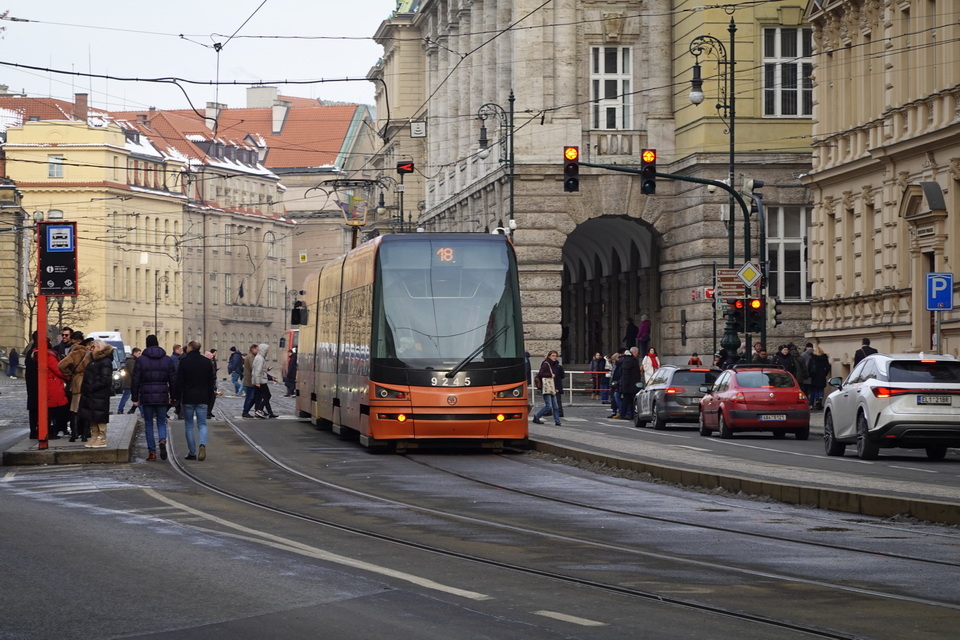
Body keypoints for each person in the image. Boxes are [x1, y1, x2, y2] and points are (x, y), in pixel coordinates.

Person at [132, 334, 176, 461]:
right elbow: (173, 380)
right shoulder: (167, 359)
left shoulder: (141, 360)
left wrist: (135, 397)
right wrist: (173, 396)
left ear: (146, 344)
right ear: (157, 343)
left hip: (146, 395)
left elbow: (135, 380)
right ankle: (162, 440)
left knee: (149, 423)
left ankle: (152, 452)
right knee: (161, 421)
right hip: (162, 394)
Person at [175, 341, 216, 461]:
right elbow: (210, 382)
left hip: (188, 398)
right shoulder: (206, 362)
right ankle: (202, 444)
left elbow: (179, 382)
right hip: (202, 397)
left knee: (188, 425)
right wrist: (209, 397)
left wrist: (177, 397)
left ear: (190, 348)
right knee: (202, 424)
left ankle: (192, 452)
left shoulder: (184, 362)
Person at [78, 339, 114, 448]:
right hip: (91, 393)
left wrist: (93, 387)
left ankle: (101, 438)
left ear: (99, 348)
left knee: (100, 416)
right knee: (92, 416)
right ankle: (94, 436)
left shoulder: (105, 361)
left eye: (93, 347)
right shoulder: (93, 360)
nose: (91, 349)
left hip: (99, 394)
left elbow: (105, 379)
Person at [58, 332, 90, 441]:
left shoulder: (74, 352)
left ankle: (74, 434)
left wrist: (69, 374)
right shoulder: (88, 353)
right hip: (87, 382)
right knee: (86, 409)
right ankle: (85, 435)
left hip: (76, 382)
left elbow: (61, 365)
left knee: (75, 409)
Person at [531, 350, 562, 426]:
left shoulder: (555, 365)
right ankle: (536, 416)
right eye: (553, 355)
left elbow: (556, 377)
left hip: (552, 386)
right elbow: (541, 373)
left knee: (555, 406)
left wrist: (556, 387)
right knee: (549, 406)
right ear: (549, 356)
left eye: (555, 356)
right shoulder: (546, 364)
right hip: (546, 387)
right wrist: (550, 375)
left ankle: (557, 421)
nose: (554, 357)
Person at [252, 343, 277, 419]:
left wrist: (267, 369)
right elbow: (257, 371)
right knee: (268, 395)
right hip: (261, 381)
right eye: (267, 349)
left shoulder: (259, 357)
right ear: (263, 350)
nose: (268, 351)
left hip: (259, 380)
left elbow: (260, 370)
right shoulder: (260, 358)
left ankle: (260, 411)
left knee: (258, 397)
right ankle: (259, 410)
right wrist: (257, 382)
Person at [617, 347, 641, 420]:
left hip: (631, 384)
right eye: (637, 352)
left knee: (630, 401)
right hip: (630, 385)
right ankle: (624, 414)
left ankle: (629, 414)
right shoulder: (629, 360)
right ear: (634, 352)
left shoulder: (629, 360)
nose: (637, 354)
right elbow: (626, 374)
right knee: (628, 400)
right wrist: (625, 385)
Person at [116, 348, 140, 414]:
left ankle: (140, 411)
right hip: (130, 382)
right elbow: (133, 372)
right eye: (139, 353)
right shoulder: (131, 361)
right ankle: (120, 409)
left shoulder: (132, 360)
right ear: (135, 353)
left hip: (131, 382)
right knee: (126, 396)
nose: (139, 355)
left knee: (137, 396)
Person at [242, 344, 259, 418]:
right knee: (250, 397)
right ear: (253, 349)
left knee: (253, 397)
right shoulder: (251, 357)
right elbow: (253, 367)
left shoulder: (251, 356)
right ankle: (245, 411)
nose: (258, 351)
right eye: (257, 349)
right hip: (250, 380)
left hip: (251, 380)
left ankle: (246, 411)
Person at [607, 351, 623, 418]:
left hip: (617, 383)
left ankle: (618, 412)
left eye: (614, 360)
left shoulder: (619, 365)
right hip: (613, 384)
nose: (613, 361)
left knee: (616, 398)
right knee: (613, 399)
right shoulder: (614, 365)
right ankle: (614, 411)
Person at [204, 351, 219, 420]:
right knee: (211, 398)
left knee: (209, 399)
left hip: (207, 384)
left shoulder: (206, 364)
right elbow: (212, 375)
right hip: (209, 384)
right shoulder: (209, 364)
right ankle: (208, 412)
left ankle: (208, 412)